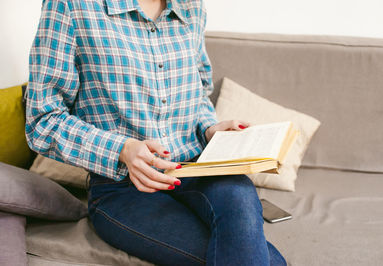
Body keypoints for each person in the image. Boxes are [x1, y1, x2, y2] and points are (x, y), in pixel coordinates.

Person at [25, 0, 287, 265]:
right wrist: (121, 149)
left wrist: (210, 128)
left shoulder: (192, 7)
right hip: (122, 189)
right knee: (267, 260)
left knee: (239, 199)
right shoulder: (71, 6)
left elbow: (199, 93)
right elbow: (42, 121)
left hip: (198, 169)